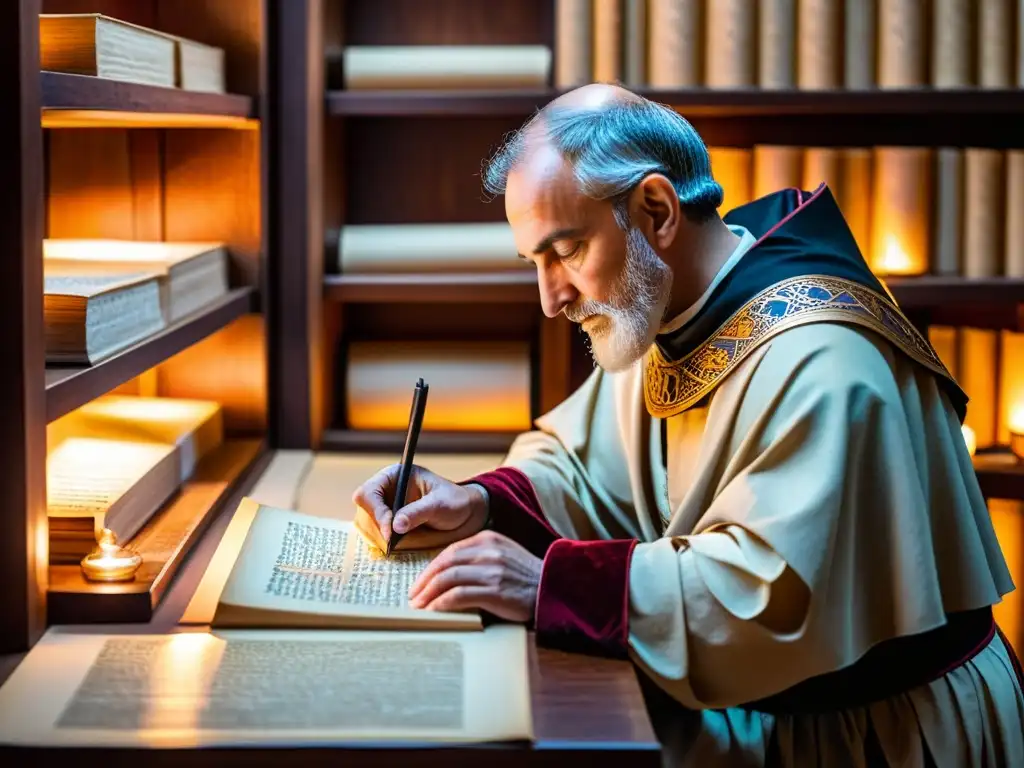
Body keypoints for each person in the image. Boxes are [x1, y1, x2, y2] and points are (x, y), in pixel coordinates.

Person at [352, 83, 1024, 766]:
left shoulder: (824, 359)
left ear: (656, 209)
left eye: (567, 251)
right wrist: (481, 502)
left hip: (874, 733)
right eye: (536, 262)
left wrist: (552, 586)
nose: (551, 300)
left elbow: (765, 595)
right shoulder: (669, 304)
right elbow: (583, 468)